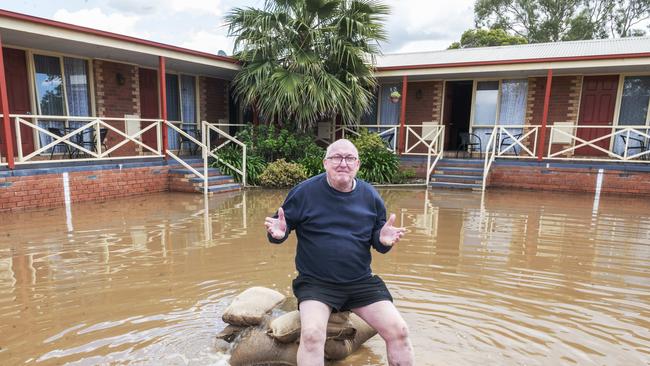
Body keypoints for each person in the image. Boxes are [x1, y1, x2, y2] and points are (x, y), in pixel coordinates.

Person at [264, 139, 414, 366]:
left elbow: (379, 241)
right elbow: (281, 227)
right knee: (312, 335)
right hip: (316, 283)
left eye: (349, 158)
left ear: (358, 164)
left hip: (360, 282)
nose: (343, 163)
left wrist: (383, 240)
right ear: (325, 162)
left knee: (400, 330)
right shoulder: (304, 192)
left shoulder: (370, 196)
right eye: (336, 157)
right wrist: (278, 234)